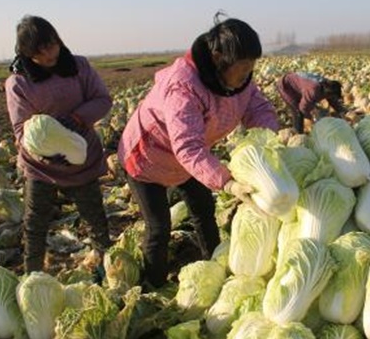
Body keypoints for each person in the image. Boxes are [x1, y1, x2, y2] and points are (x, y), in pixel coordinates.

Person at [117, 15, 279, 288]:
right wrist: (227, 182)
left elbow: (257, 107)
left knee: (204, 210)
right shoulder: (184, 86)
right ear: (218, 58)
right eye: (241, 71)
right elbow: (188, 147)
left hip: (189, 162)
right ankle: (151, 288)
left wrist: (272, 140)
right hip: (147, 161)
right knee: (159, 227)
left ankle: (215, 268)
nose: (245, 78)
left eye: (249, 71)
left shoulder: (239, 81)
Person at [4, 15, 113, 276]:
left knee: (95, 217)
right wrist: (48, 154)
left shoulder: (79, 67)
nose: (48, 53)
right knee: (35, 223)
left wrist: (77, 118)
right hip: (41, 166)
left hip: (81, 159)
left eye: (51, 44)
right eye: (38, 51)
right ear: (26, 53)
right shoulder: (18, 83)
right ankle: (33, 275)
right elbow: (21, 131)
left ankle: (107, 266)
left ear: (58, 40)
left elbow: (103, 99)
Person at [276, 72, 346, 133]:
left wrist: (341, 111)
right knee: (297, 112)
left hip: (298, 86)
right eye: (332, 96)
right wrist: (309, 119)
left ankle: (301, 130)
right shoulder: (313, 90)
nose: (332, 98)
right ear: (327, 94)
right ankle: (299, 133)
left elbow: (332, 101)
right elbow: (303, 108)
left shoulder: (328, 85)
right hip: (285, 86)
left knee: (306, 105)